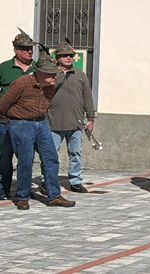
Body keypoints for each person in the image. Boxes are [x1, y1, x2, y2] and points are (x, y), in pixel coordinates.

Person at [0, 54, 74, 210]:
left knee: (51, 158)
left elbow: (47, 103)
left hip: (41, 123)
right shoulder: (21, 84)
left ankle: (54, 195)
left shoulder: (51, 85)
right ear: (40, 73)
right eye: (51, 73)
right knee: (26, 161)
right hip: (21, 124)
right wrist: (12, 121)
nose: (55, 76)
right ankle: (22, 196)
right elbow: (4, 105)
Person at [47, 39, 96, 193]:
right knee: (50, 154)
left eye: (70, 55)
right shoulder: (51, 75)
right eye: (64, 55)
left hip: (76, 122)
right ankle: (47, 180)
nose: (68, 58)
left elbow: (88, 97)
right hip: (54, 122)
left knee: (76, 153)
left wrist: (91, 118)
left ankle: (75, 181)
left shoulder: (80, 75)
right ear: (57, 58)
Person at [0, 29, 37, 200]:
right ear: (15, 50)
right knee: (3, 158)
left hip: (29, 123)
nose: (29, 51)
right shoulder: (4, 68)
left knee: (26, 159)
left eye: (30, 48)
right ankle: (3, 188)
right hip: (5, 121)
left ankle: (24, 189)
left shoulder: (39, 68)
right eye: (24, 49)